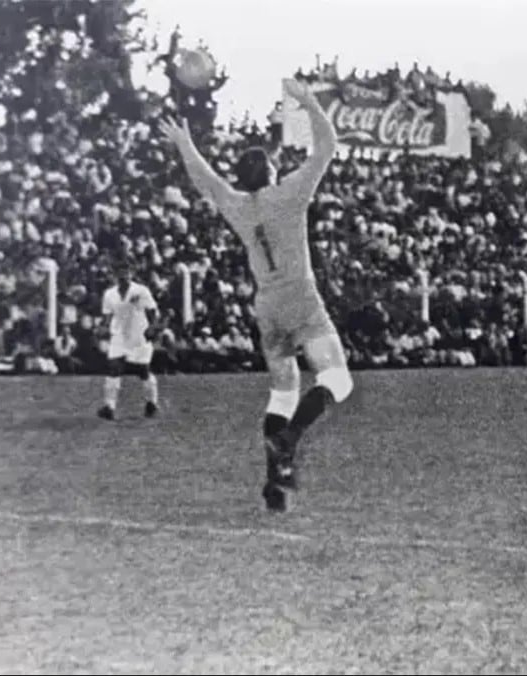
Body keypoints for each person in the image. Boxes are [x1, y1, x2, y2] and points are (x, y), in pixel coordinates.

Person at [159, 79, 353, 512]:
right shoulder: (290, 194)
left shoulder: (240, 208)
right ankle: (289, 439)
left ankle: (274, 484)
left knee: (283, 392)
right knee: (337, 379)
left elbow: (206, 182)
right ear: (270, 173)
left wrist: (185, 145)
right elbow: (327, 145)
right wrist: (309, 102)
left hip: (267, 308)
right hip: (302, 300)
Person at [97, 258, 160, 420]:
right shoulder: (109, 294)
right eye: (120, 271)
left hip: (139, 335)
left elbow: (152, 311)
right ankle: (109, 407)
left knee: (143, 370)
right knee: (113, 368)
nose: (124, 274)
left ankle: (151, 403)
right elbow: (107, 315)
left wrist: (153, 327)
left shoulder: (141, 291)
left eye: (127, 270)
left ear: (132, 272)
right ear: (115, 274)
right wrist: (102, 327)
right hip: (119, 335)